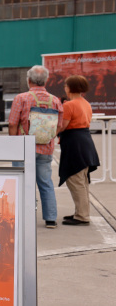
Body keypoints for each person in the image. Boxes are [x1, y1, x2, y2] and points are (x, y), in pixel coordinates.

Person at [8, 65, 63, 228]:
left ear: (29, 80)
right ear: (46, 81)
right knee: (45, 182)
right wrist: (47, 137)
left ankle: (26, 216)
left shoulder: (22, 98)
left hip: (24, 147)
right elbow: (59, 126)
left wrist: (13, 143)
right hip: (46, 148)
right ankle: (51, 218)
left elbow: (12, 123)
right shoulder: (55, 100)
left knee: (23, 183)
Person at [57, 75, 100, 226]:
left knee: (75, 180)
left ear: (71, 87)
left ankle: (82, 216)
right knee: (82, 180)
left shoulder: (69, 105)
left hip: (74, 144)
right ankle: (80, 212)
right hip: (85, 142)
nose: (65, 88)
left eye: (66, 86)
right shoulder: (86, 103)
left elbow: (62, 126)